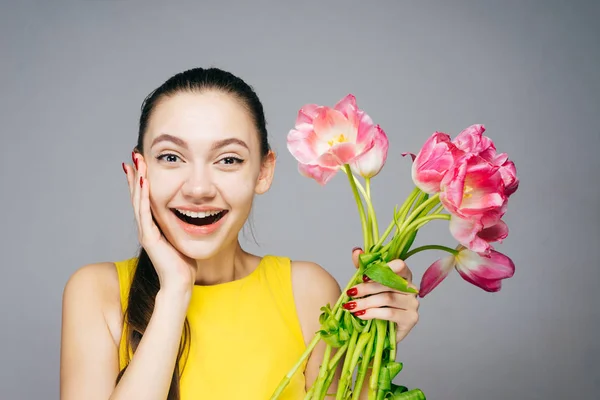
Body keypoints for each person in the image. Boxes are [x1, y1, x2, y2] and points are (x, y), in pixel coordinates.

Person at [59, 67, 420, 400]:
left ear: (264, 171)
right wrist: (174, 290)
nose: (198, 188)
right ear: (140, 170)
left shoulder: (307, 292)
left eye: (228, 159)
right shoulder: (97, 292)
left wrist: (377, 349)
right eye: (171, 157)